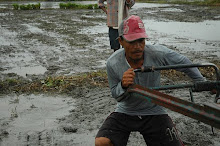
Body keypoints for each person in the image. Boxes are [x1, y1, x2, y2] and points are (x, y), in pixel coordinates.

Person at [95, 15, 206, 146]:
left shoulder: (158, 53)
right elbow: (115, 94)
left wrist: (202, 81)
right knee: (102, 142)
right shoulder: (113, 63)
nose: (137, 46)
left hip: (154, 110)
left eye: (141, 40)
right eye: (131, 41)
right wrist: (123, 85)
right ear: (121, 41)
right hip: (126, 110)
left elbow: (185, 64)